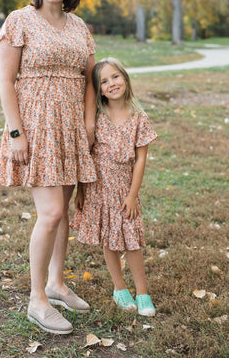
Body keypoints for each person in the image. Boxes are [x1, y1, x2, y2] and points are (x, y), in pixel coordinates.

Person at [0, 0, 97, 334]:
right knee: (51, 213)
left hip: (71, 125)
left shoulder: (79, 25)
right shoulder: (20, 20)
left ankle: (56, 284)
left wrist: (88, 124)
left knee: (63, 212)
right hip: (36, 125)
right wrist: (16, 132)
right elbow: (6, 80)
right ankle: (37, 298)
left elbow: (89, 79)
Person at [72, 57, 157, 316]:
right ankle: (120, 289)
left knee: (131, 241)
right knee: (108, 239)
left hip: (124, 191)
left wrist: (132, 196)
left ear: (125, 78)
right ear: (98, 90)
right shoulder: (96, 117)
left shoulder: (138, 118)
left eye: (115, 77)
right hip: (98, 190)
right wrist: (81, 189)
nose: (111, 84)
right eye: (104, 81)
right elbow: (86, 156)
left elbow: (141, 158)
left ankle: (142, 293)